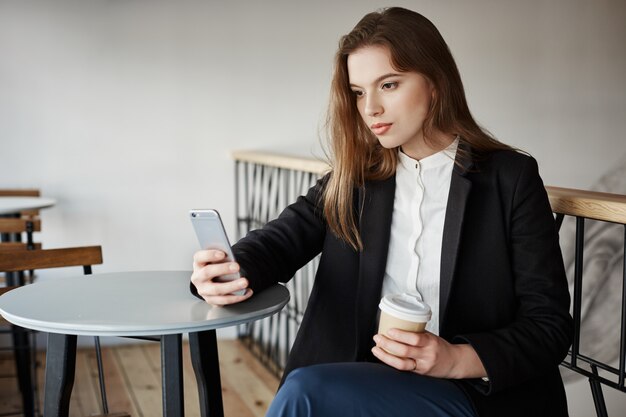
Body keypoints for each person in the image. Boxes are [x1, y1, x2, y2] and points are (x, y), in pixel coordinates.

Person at [191, 7, 573, 417]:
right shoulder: (357, 178)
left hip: (468, 395)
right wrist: (227, 270)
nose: (369, 108)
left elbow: (549, 326)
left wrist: (454, 358)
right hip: (365, 378)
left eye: (388, 84)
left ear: (435, 84)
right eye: (358, 91)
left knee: (306, 394)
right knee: (310, 391)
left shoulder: (509, 178)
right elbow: (280, 240)